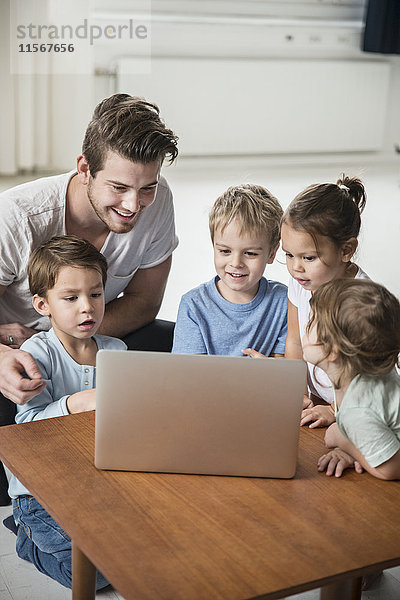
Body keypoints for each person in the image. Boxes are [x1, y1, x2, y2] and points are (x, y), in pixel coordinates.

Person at [0, 93, 178, 504]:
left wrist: (73, 342)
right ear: (84, 168)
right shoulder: (18, 217)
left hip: (92, 337)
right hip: (19, 358)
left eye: (146, 188)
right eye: (118, 187)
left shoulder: (157, 199)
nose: (134, 205)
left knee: (175, 347)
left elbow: (145, 303)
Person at [7, 235, 126, 589]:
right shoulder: (37, 353)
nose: (87, 307)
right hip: (40, 496)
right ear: (43, 305)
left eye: (96, 294)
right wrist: (75, 403)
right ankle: (27, 537)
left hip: (97, 485)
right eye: (71, 298)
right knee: (94, 574)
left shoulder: (116, 349)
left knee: (141, 549)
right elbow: (26, 426)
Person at [281, 174, 369, 428]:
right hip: (321, 398)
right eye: (289, 255)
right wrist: (298, 392)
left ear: (346, 250)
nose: (296, 268)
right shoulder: (301, 284)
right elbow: (294, 342)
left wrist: (334, 409)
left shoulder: (361, 300)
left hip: (359, 404)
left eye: (309, 258)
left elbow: (368, 375)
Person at [172, 184, 287, 356]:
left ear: (272, 253)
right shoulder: (194, 305)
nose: (236, 263)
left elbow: (286, 371)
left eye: (250, 253)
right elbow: (188, 375)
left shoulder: (283, 302)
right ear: (214, 246)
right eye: (225, 251)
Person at [302, 278, 400, 480]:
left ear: (332, 351)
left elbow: (392, 468)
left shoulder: (357, 410)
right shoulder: (374, 368)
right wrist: (352, 451)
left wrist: (343, 440)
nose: (305, 327)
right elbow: (376, 429)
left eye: (312, 323)